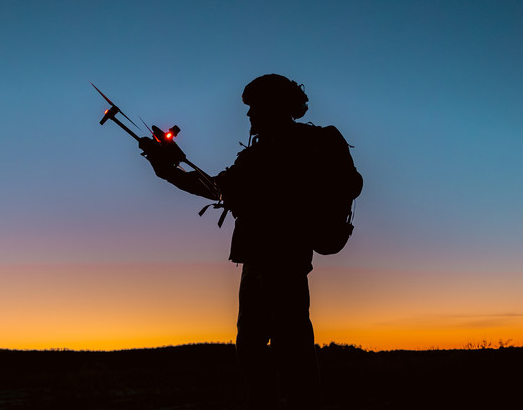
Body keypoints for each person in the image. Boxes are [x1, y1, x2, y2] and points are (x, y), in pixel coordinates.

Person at [144, 74, 361, 409]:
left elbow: (220, 188)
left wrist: (168, 168)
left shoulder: (297, 146)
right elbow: (219, 188)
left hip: (284, 261)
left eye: (254, 108)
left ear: (273, 107)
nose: (249, 116)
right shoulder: (259, 154)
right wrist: (167, 167)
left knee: (290, 350)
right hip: (256, 261)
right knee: (253, 349)